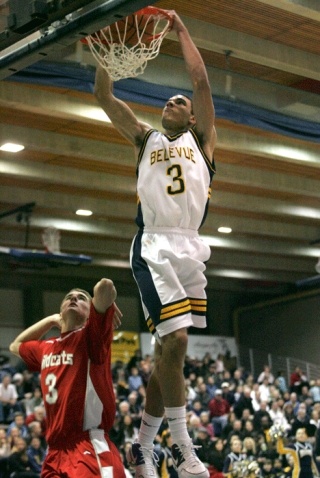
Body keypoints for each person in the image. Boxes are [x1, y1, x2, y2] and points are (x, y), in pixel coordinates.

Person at [94, 8, 216, 478]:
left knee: (167, 353)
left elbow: (202, 83)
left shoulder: (202, 142)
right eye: (167, 99)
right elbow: (104, 96)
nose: (172, 100)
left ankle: (142, 446)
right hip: (153, 246)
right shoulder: (144, 139)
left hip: (191, 246)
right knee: (178, 341)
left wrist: (182, 28)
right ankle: (185, 450)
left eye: (179, 100)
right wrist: (113, 54)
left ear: (190, 115)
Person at [9, 278, 126, 478]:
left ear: (90, 311)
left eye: (81, 298)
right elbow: (15, 345)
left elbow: (105, 286)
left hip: (87, 443)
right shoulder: (47, 346)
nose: (73, 298)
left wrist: (104, 305)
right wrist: (51, 320)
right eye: (68, 297)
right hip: (55, 451)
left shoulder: (91, 337)